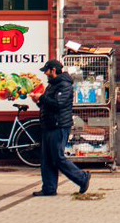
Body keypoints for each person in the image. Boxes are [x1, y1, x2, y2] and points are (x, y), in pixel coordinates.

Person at [33, 59, 90, 197]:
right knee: (47, 159)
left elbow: (58, 104)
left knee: (57, 157)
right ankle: (49, 188)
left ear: (53, 70)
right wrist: (38, 101)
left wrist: (42, 98)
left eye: (46, 71)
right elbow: (48, 104)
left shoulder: (64, 85)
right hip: (49, 125)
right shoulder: (52, 85)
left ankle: (82, 178)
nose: (45, 73)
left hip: (59, 125)